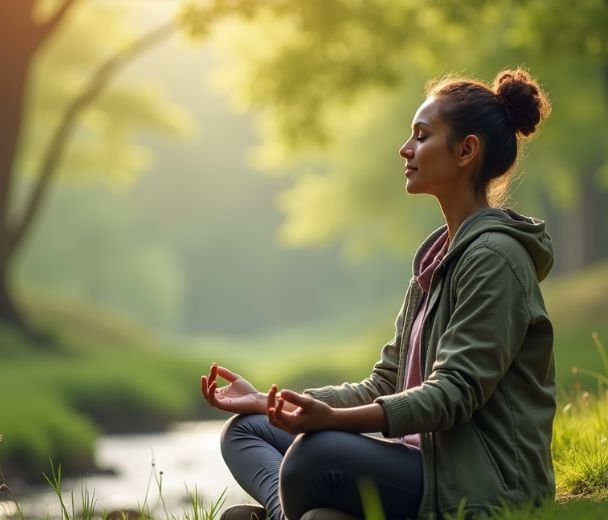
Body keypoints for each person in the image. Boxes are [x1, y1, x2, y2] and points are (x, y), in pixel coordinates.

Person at [200, 68, 556, 520]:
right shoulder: (438, 257)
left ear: (466, 151)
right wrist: (274, 403)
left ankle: (282, 513)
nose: (405, 149)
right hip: (419, 463)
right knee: (247, 430)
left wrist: (332, 421)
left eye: (422, 136)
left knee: (313, 456)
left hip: (484, 483)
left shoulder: (495, 259)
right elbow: (385, 384)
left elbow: (453, 393)